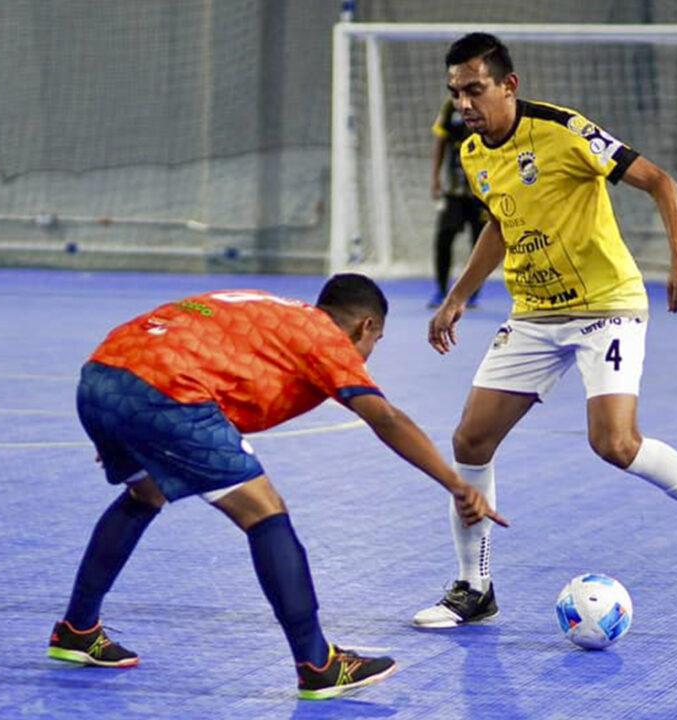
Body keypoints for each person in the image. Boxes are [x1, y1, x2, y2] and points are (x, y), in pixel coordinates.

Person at [412, 33, 677, 629]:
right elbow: (501, 224)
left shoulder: (563, 130)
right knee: (470, 442)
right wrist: (457, 297)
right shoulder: (474, 151)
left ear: (508, 85)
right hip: (534, 313)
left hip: (607, 306)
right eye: (455, 93)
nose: (464, 103)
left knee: (615, 444)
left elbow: (661, 182)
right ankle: (475, 589)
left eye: (474, 89)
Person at [46, 274, 507, 699]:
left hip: (102, 375)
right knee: (265, 513)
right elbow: (383, 417)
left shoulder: (275, 311)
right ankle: (318, 663)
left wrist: (129, 418)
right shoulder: (326, 336)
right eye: (375, 342)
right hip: (166, 391)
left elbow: (191, 341)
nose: (367, 355)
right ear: (365, 325)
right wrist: (456, 485)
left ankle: (78, 629)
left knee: (145, 494)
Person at [429, 97, 488, 309]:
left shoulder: (489, 106)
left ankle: (471, 292)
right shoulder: (450, 107)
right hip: (454, 191)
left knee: (481, 242)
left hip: (482, 192)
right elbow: (440, 141)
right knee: (443, 237)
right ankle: (441, 290)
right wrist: (435, 177)